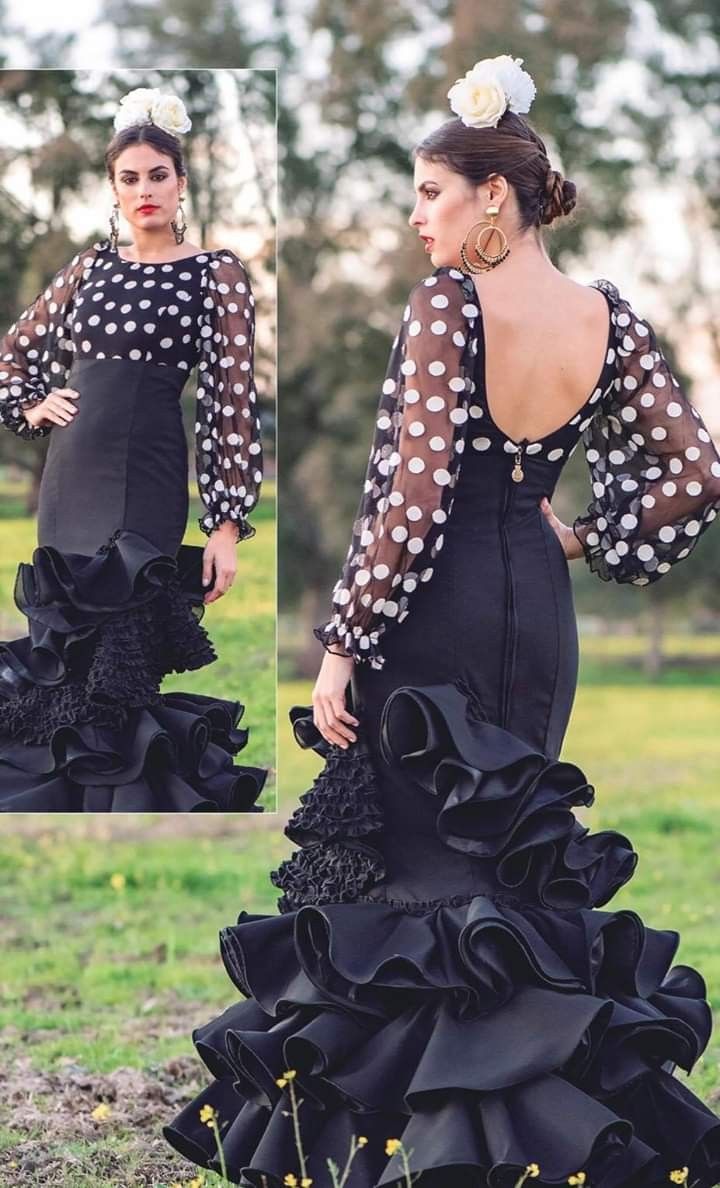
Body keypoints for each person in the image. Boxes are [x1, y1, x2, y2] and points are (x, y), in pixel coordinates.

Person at [165, 58, 720, 1184]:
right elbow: (694, 474)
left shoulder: (446, 304)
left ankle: (429, 1148)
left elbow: (412, 500)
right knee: (502, 884)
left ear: (493, 200)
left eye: (430, 194)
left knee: (422, 888)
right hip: (537, 614)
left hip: (435, 620)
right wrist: (579, 539)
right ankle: (529, 1140)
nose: (418, 217)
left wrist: (344, 643)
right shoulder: (607, 316)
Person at [0, 87, 267, 812]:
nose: (144, 190)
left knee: (122, 648)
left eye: (158, 175)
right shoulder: (89, 269)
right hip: (69, 477)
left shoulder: (216, 272)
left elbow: (230, 405)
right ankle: (56, 805)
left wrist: (225, 526)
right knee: (64, 653)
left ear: (181, 182)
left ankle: (126, 804)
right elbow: (12, 355)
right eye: (129, 177)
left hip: (146, 477)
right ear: (113, 188)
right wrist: (30, 401)